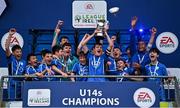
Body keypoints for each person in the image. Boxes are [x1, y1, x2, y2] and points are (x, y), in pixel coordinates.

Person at [5, 28, 26, 100]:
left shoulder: (24, 62)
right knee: (12, 103)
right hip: (12, 83)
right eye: (17, 52)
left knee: (21, 103)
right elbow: (7, 48)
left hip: (21, 84)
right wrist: (10, 35)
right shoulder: (11, 59)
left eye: (20, 52)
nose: (19, 53)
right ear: (13, 53)